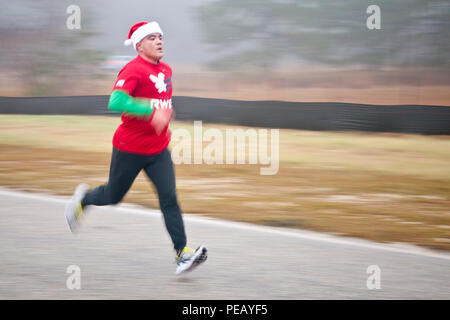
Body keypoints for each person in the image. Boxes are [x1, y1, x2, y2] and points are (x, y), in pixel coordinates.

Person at [64, 21, 207, 275]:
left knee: (169, 198)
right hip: (129, 148)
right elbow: (116, 100)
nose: (159, 41)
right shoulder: (133, 69)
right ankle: (83, 200)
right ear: (139, 45)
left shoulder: (166, 69)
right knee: (113, 196)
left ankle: (182, 253)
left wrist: (164, 113)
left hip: (158, 149)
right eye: (152, 38)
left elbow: (160, 100)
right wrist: (150, 112)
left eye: (160, 37)